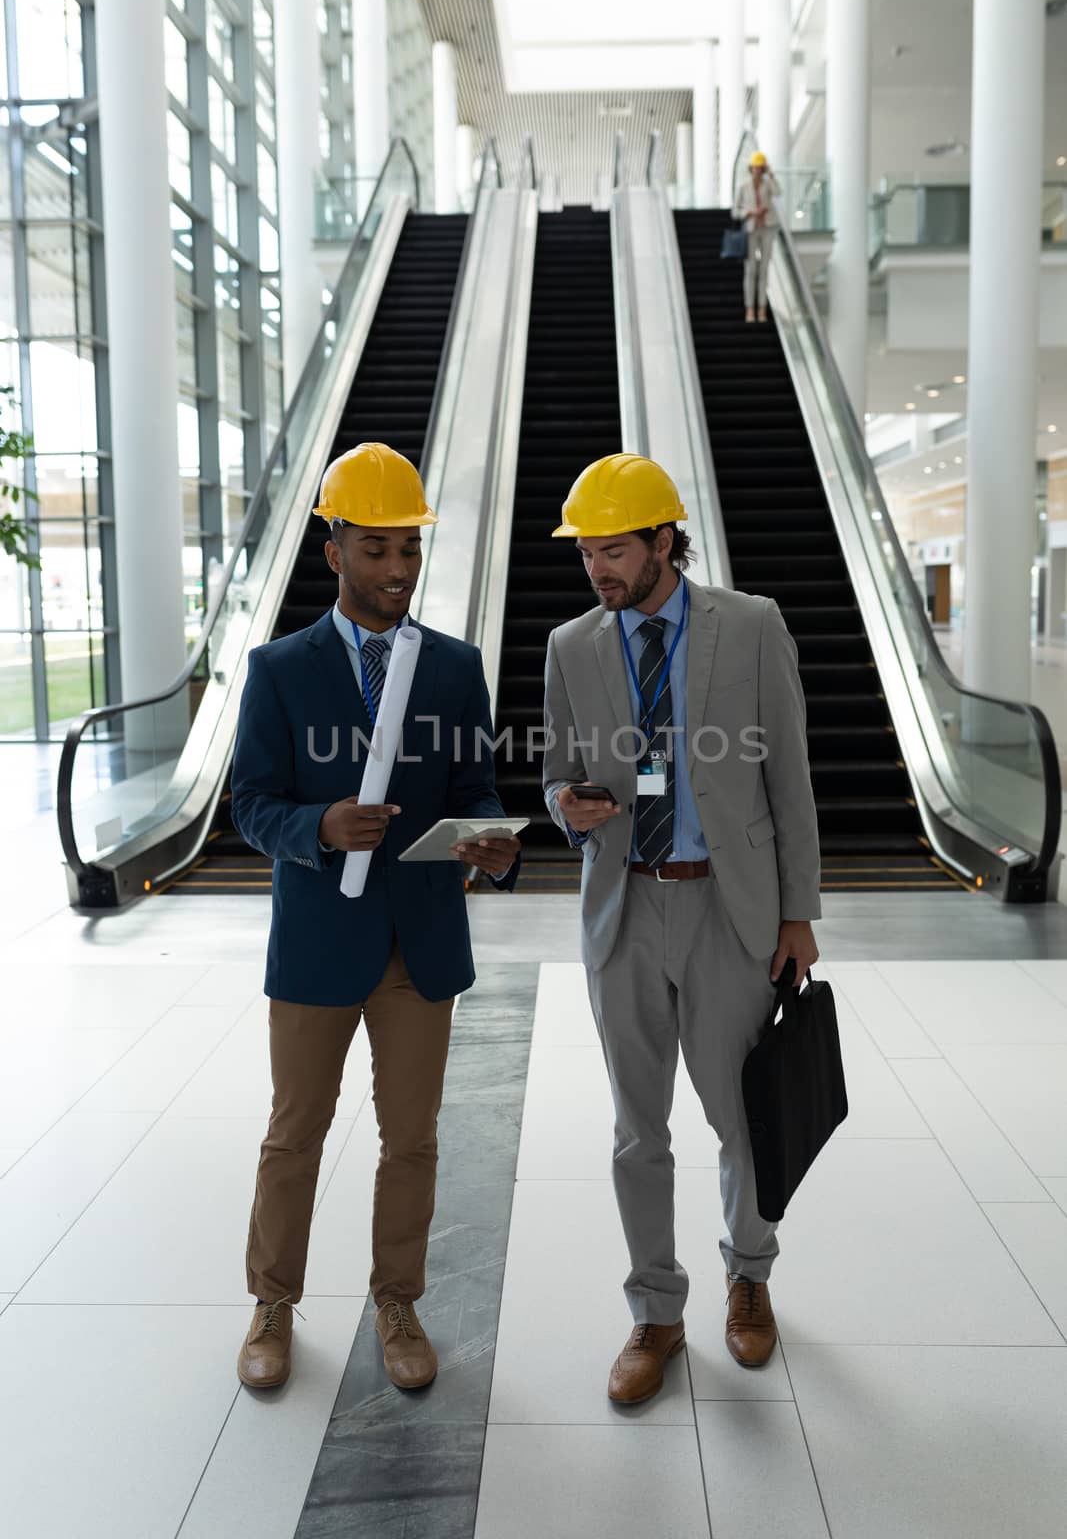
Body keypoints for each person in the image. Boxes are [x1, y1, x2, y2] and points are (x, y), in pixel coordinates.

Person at [230, 441, 520, 1393]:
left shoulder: (453, 667)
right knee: (294, 1132)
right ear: (334, 552)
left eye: (410, 549)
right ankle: (272, 1303)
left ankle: (398, 1301)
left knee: (414, 1136)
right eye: (377, 550)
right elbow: (250, 804)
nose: (398, 569)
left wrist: (489, 840)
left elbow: (476, 787)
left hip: (420, 942)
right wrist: (319, 824)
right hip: (318, 939)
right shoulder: (280, 669)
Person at [542, 452, 820, 1405]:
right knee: (635, 1130)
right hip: (623, 907)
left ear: (664, 539)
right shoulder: (573, 645)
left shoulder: (748, 626)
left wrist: (797, 913)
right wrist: (563, 805)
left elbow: (788, 777)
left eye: (612, 551)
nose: (597, 571)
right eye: (586, 554)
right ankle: (655, 1313)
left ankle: (749, 1277)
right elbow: (559, 769)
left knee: (738, 1115)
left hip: (726, 907)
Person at [733, 149, 781, 324]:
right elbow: (735, 212)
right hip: (751, 229)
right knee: (750, 270)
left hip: (767, 228)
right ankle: (749, 309)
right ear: (751, 168)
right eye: (756, 167)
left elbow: (778, 193)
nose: (758, 171)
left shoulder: (768, 183)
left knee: (764, 270)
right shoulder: (743, 186)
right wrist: (750, 212)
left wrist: (771, 174)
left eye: (761, 168)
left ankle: (762, 309)